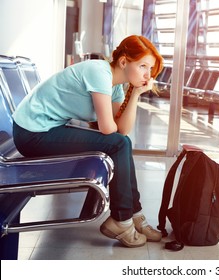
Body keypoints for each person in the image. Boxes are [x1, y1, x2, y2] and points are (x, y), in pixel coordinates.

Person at [12, 35, 164, 248]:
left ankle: (133, 214)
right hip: (31, 133)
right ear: (123, 62)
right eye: (143, 66)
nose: (148, 75)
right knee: (119, 144)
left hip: (49, 128)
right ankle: (123, 219)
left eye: (151, 69)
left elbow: (122, 129)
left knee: (122, 142)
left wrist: (137, 93)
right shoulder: (99, 72)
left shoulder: (116, 85)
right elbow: (107, 128)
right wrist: (118, 122)